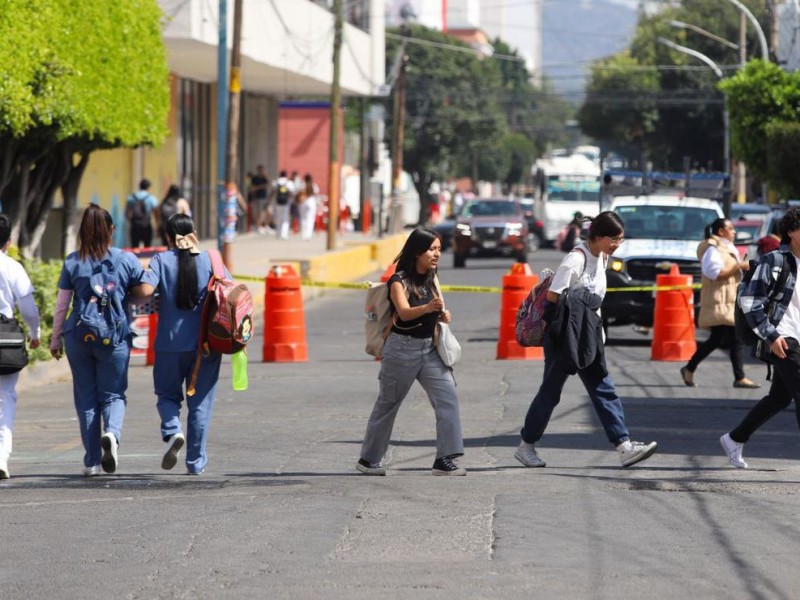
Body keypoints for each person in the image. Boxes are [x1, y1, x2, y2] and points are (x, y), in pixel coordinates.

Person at [515, 211, 658, 469]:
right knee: (550, 393)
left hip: (589, 334)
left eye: (621, 240)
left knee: (603, 388)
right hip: (565, 336)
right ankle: (526, 446)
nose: (617, 245)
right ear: (599, 237)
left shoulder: (601, 257)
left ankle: (624, 446)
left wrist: (596, 333)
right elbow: (552, 299)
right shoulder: (575, 260)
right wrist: (560, 337)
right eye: (614, 239)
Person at [356, 228, 466, 476]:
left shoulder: (432, 277)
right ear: (417, 251)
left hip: (429, 349)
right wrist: (429, 307)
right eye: (431, 249)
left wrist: (442, 314)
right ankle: (368, 459)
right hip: (401, 349)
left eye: (438, 249)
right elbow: (404, 313)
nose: (436, 254)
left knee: (447, 398)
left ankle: (444, 459)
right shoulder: (399, 281)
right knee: (388, 404)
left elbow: (435, 311)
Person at [50, 205, 144, 476]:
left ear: (82, 232)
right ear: (111, 230)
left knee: (86, 398)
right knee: (113, 394)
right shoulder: (125, 260)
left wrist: (56, 339)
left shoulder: (72, 262)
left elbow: (61, 305)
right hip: (114, 337)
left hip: (79, 336)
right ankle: (112, 434)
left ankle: (91, 460)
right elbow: (143, 292)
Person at [133, 214, 225, 475]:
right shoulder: (212, 259)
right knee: (200, 404)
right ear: (194, 231)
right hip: (206, 346)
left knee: (167, 395)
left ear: (166, 238)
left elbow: (146, 292)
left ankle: (173, 430)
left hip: (170, 344)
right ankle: (195, 463)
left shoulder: (161, 260)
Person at [720, 207, 800, 469]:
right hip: (784, 339)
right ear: (791, 231)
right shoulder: (775, 260)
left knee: (779, 398)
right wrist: (771, 335)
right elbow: (750, 301)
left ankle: (735, 438)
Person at [679, 218, 758, 389]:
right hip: (718, 302)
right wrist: (738, 266)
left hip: (729, 302)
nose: (734, 232)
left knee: (732, 339)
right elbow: (715, 273)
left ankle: (738, 377)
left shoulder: (727, 247)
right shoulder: (712, 249)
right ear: (721, 231)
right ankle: (691, 368)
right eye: (731, 228)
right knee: (719, 339)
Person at [0, 215, 41, 479]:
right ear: (9, 240)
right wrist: (35, 333)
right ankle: (1, 458)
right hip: (5, 340)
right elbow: (28, 309)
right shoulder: (12, 267)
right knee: (5, 398)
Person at [126, 178, 159, 248]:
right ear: (148, 187)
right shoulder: (151, 198)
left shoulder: (132, 197)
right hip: (146, 225)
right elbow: (156, 211)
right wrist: (157, 224)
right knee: (147, 247)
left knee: (134, 247)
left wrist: (131, 221)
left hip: (135, 225)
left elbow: (127, 212)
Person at [273, 170, 296, 240]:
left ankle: (278, 233)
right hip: (286, 203)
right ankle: (284, 234)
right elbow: (292, 192)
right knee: (285, 219)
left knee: (278, 218)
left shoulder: (276, 182)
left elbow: (273, 191)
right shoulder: (288, 182)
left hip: (277, 202)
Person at [297, 173, 319, 241]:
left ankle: (303, 234)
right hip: (311, 201)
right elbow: (316, 193)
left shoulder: (302, 185)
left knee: (303, 218)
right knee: (310, 218)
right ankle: (308, 234)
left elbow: (298, 192)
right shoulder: (314, 185)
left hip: (303, 202)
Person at [250, 165, 271, 234]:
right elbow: (253, 188)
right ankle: (258, 227)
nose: (261, 171)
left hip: (266, 197)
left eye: (262, 170)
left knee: (269, 212)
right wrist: (262, 186)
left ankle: (266, 226)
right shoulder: (255, 178)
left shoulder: (264, 178)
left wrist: (266, 176)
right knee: (260, 213)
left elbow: (270, 183)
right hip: (258, 197)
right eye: (260, 170)